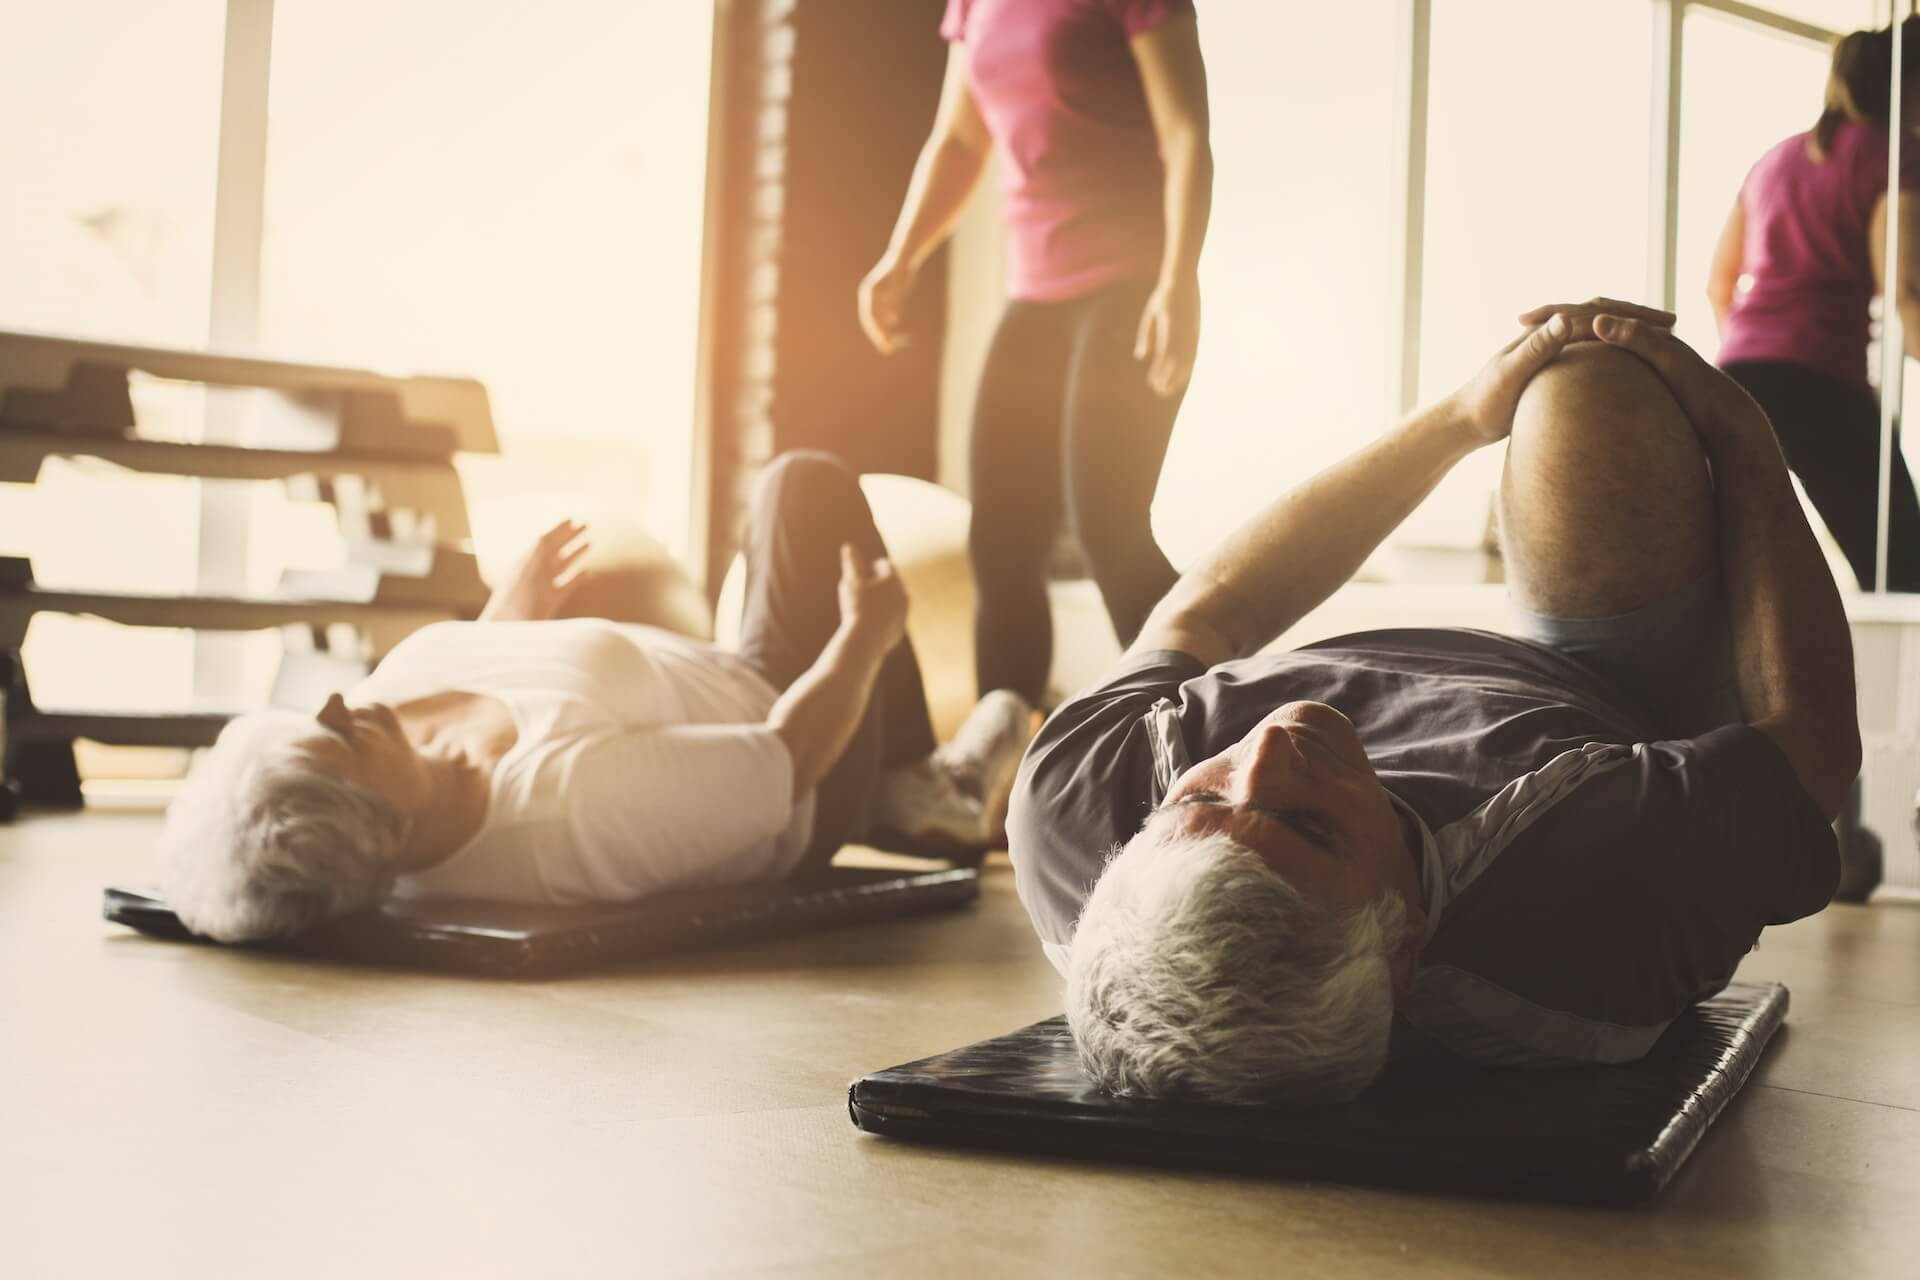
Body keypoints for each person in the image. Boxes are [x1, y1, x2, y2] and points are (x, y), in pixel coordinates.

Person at [1006, 299, 1857, 1104]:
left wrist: (1460, 418)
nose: (1269, 748)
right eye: (1309, 826)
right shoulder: (1608, 891)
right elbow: (1810, 742)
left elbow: (1209, 613)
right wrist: (1747, 435)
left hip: (1410, 673)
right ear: (1405, 942)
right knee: (1591, 382)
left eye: (1202, 794)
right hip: (1609, 690)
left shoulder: (1075, 809)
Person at [160, 452, 1032, 943]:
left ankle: (910, 773)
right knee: (802, 487)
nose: (339, 709)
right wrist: (866, 638)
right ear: (384, 828)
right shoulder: (559, 816)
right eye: (336, 743)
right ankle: (920, 781)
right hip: (807, 760)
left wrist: (518, 606)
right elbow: (787, 760)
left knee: (786, 492)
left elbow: (482, 661)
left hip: (718, 673)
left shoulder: (388, 731)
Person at [858, 0, 1212, 710]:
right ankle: (1001, 760)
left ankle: (1223, 723)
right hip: (1036, 298)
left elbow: (1186, 135)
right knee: (1000, 542)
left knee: (1108, 527)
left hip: (1130, 284)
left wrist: (1178, 279)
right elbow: (960, 140)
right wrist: (902, 257)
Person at [1709, 22, 1920, 591]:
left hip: (1736, 378)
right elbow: (1902, 284)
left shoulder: (1775, 160)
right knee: (1903, 568)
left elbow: (1720, 284)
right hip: (1820, 379)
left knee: (1742, 572)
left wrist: (1761, 356)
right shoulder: (1895, 153)